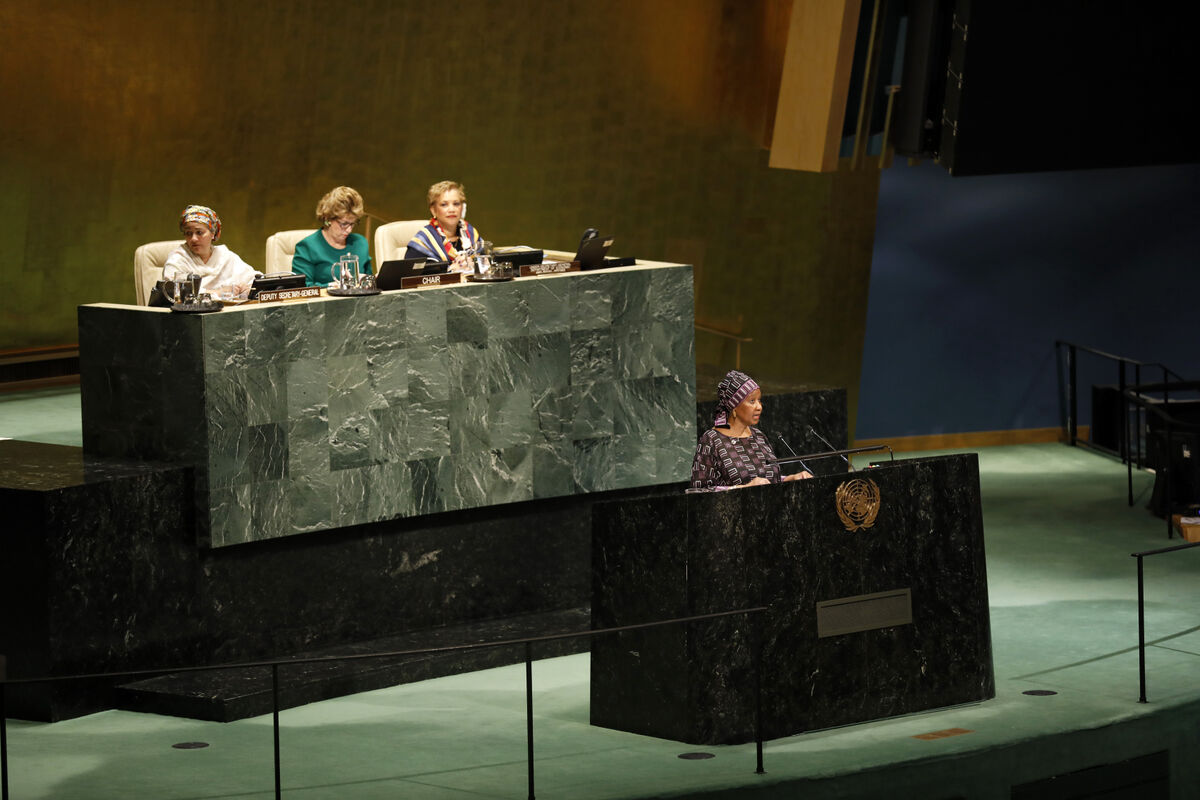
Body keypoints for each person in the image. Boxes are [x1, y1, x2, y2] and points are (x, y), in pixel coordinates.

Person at [690, 370, 814, 490]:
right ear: (734, 406)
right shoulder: (711, 440)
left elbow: (769, 481)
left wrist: (791, 479)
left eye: (759, 400)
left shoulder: (758, 436)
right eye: (752, 401)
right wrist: (744, 488)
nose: (759, 407)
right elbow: (699, 491)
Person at [163, 205, 257, 296]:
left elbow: (255, 279)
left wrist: (248, 288)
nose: (193, 238)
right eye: (188, 233)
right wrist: (218, 292)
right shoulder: (178, 258)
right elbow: (174, 291)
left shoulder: (225, 256)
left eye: (199, 232)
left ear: (213, 233)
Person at [293, 186, 372, 287]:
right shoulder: (307, 247)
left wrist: (368, 280)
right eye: (344, 224)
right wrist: (333, 286)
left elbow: (369, 283)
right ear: (328, 218)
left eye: (353, 223)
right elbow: (302, 289)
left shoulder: (360, 243)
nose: (349, 230)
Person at [405, 180, 483, 271]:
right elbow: (409, 276)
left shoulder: (471, 233)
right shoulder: (423, 241)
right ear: (433, 210)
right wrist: (450, 271)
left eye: (456, 204)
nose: (451, 209)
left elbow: (487, 265)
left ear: (462, 207)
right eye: (444, 204)